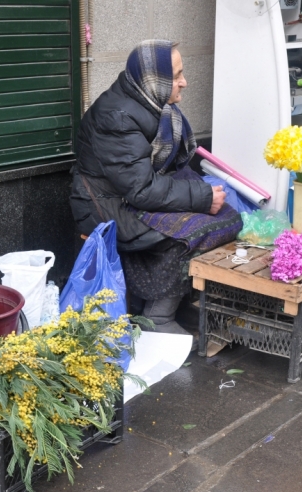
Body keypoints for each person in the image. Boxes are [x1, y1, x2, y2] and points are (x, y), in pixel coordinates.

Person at [70, 40, 242, 334]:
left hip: (127, 193)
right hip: (104, 205)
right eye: (175, 76)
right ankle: (157, 314)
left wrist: (202, 195)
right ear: (154, 80)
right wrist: (200, 197)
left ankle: (171, 300)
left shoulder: (147, 102)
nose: (184, 83)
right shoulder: (118, 117)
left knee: (227, 215)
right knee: (195, 227)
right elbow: (141, 190)